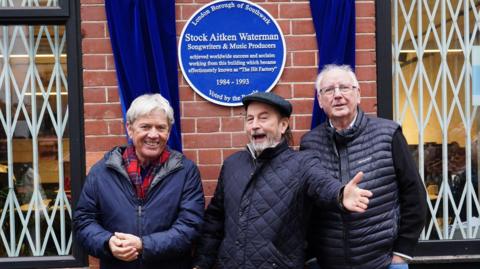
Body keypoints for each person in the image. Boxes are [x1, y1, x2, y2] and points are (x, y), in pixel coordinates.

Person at [192, 92, 373, 269]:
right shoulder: (232, 164)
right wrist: (201, 263)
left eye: (263, 118)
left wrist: (340, 194)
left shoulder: (302, 163)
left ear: (283, 125)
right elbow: (214, 221)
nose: (255, 125)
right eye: (250, 119)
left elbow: (322, 184)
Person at [300, 64, 427, 269]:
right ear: (320, 101)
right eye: (329, 90)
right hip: (327, 264)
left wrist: (401, 255)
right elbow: (306, 207)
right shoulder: (310, 144)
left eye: (344, 87)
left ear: (358, 94)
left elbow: (414, 196)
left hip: (384, 263)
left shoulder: (388, 134)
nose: (338, 95)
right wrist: (311, 257)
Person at [73, 94, 204, 269]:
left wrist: (144, 245)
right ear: (130, 128)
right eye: (145, 126)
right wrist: (108, 243)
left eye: (161, 127)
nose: (153, 134)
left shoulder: (186, 172)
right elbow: (83, 222)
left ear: (169, 131)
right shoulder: (101, 172)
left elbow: (190, 227)